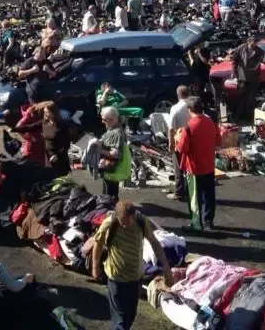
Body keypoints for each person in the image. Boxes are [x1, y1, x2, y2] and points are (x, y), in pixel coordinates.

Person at [92, 201, 172, 330]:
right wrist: (95, 267)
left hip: (135, 278)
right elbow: (98, 243)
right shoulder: (109, 223)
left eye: (127, 222)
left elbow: (154, 243)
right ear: (116, 216)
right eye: (122, 222)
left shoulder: (141, 221)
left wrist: (166, 265)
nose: (124, 225)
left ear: (133, 216)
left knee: (130, 315)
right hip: (116, 278)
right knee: (120, 320)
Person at [176, 97, 219, 231]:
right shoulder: (210, 122)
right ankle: (208, 223)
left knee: (195, 197)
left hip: (194, 168)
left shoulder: (188, 128)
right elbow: (218, 140)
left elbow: (182, 149)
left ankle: (196, 223)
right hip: (209, 165)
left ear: (189, 110)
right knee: (208, 195)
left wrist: (177, 139)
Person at [229, 36, 265, 120]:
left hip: (253, 77)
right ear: (249, 42)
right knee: (241, 96)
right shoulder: (241, 48)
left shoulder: (259, 51)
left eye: (256, 43)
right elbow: (234, 60)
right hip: (242, 76)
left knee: (251, 97)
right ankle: (238, 115)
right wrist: (233, 72)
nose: (255, 44)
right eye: (253, 43)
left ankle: (247, 116)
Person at [99, 106, 130, 200]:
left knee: (110, 196)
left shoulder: (116, 133)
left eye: (104, 119)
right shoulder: (115, 129)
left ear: (112, 119)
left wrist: (99, 150)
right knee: (108, 194)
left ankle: (113, 211)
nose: (102, 122)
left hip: (112, 170)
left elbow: (116, 154)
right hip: (109, 170)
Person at [167, 86, 191, 202]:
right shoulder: (194, 106)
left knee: (179, 168)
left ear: (178, 95)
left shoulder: (175, 108)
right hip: (193, 141)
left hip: (180, 141)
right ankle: (191, 190)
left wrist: (170, 143)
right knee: (190, 167)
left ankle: (179, 192)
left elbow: (171, 128)